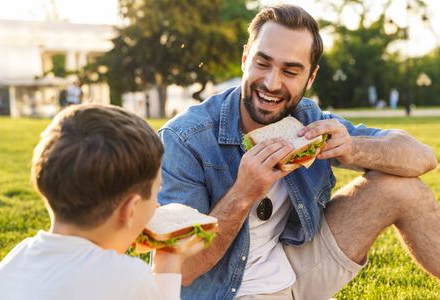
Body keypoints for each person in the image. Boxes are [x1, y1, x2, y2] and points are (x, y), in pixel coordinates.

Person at [157, 4, 439, 300]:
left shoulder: (309, 119)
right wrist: (244, 192)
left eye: (290, 71)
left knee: (403, 188)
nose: (271, 83)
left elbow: (422, 157)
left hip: (296, 269)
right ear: (244, 58)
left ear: (311, 77)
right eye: (262, 63)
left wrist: (354, 148)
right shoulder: (185, 140)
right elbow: (180, 269)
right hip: (225, 291)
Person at [0, 104, 203, 300]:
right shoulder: (128, 277)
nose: (157, 206)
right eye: (157, 192)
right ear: (130, 210)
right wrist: (168, 263)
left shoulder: (16, 258)